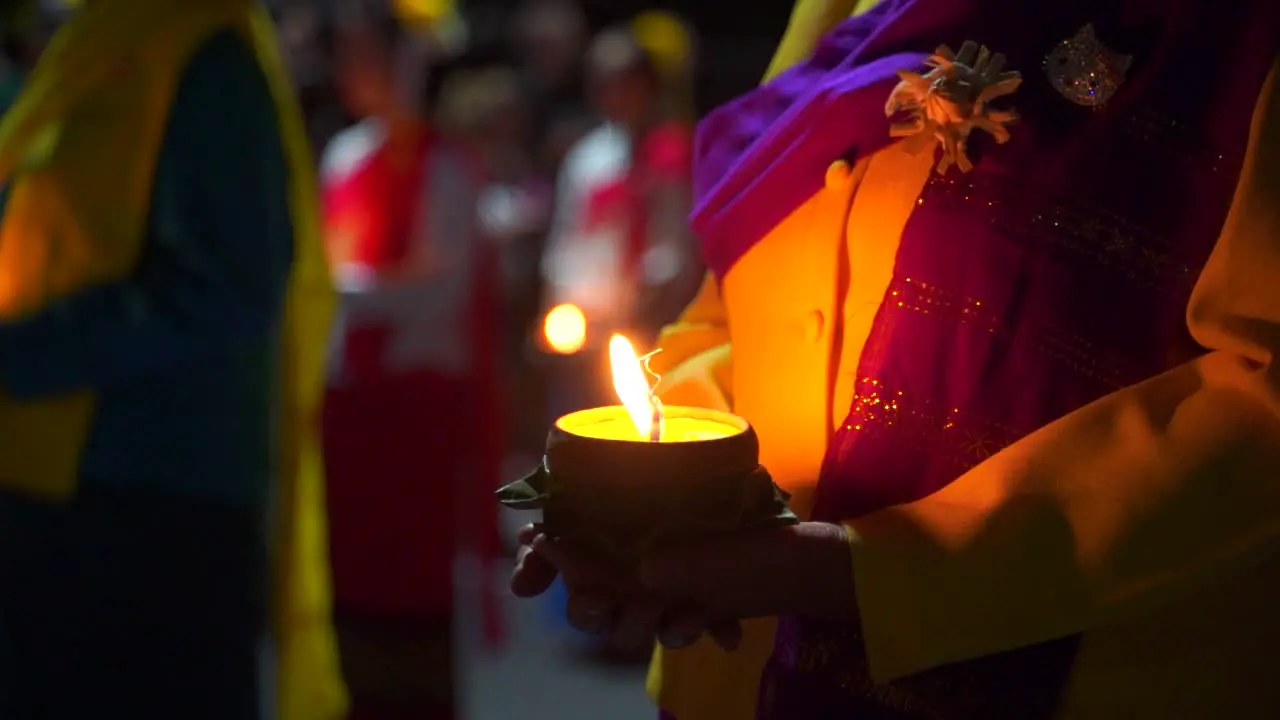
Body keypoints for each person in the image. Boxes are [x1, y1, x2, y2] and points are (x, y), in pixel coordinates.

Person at [512, 0, 1280, 717]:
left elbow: (1262, 396)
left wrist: (867, 575)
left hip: (1090, 672)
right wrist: (645, 505)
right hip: (741, 671)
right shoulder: (849, 9)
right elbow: (732, 294)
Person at [0, 1, 344, 719]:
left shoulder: (198, 53)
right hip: (58, 484)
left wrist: (21, 355)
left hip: (147, 507)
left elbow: (231, 285)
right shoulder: (104, 40)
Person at [319, 3, 504, 719]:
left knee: (413, 579)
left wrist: (346, 295)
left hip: (418, 404)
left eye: (366, 54)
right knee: (355, 575)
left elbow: (439, 289)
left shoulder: (448, 170)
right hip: (355, 400)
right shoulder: (346, 156)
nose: (350, 72)